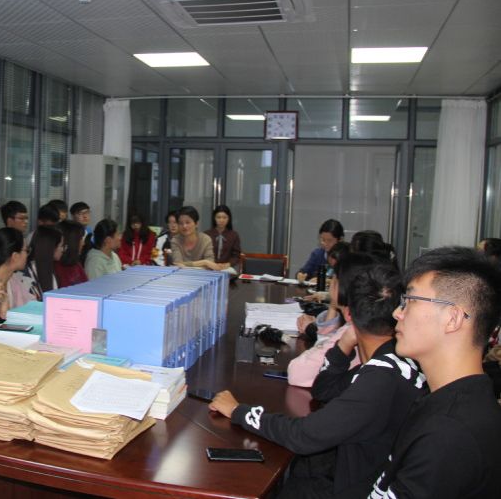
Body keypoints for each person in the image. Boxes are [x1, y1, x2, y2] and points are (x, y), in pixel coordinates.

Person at [210, 257, 426, 498]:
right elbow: (323, 390)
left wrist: (239, 411)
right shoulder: (393, 359)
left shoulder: (379, 379)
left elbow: (303, 436)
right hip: (362, 470)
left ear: (349, 314)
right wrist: (343, 346)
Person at [366, 247, 501, 498]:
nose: (397, 313)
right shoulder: (447, 397)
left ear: (452, 318)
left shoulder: (449, 433)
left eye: (410, 300)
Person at [17, 226, 63, 301]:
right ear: (51, 248)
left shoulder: (50, 268)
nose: (63, 249)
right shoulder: (25, 276)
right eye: (61, 246)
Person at [0, 228, 31, 309]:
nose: (27, 255)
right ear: (15, 256)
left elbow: (31, 304)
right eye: (26, 250)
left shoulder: (13, 280)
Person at [204, 204, 242, 269]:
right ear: (214, 218)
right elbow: (203, 254)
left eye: (224, 217)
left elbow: (236, 256)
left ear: (229, 219)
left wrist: (228, 264)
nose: (221, 220)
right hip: (209, 267)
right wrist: (211, 264)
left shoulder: (234, 235)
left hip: (227, 268)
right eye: (218, 217)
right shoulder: (206, 234)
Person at [55, 220, 88, 287]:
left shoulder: (76, 264)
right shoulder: (56, 268)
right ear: (72, 242)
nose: (83, 243)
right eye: (81, 239)